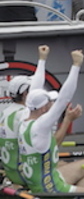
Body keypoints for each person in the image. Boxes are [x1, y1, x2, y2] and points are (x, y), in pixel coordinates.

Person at [18, 50, 84, 193]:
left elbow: (35, 87)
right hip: (50, 187)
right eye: (50, 102)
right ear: (42, 109)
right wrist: (76, 65)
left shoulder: (25, 117)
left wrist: (42, 59)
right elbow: (64, 98)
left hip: (39, 181)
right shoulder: (41, 125)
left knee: (83, 165)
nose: (53, 104)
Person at [0, 45, 49, 185]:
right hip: (25, 176)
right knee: (79, 167)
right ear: (25, 94)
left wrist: (42, 59)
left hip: (12, 172)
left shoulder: (6, 112)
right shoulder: (23, 114)